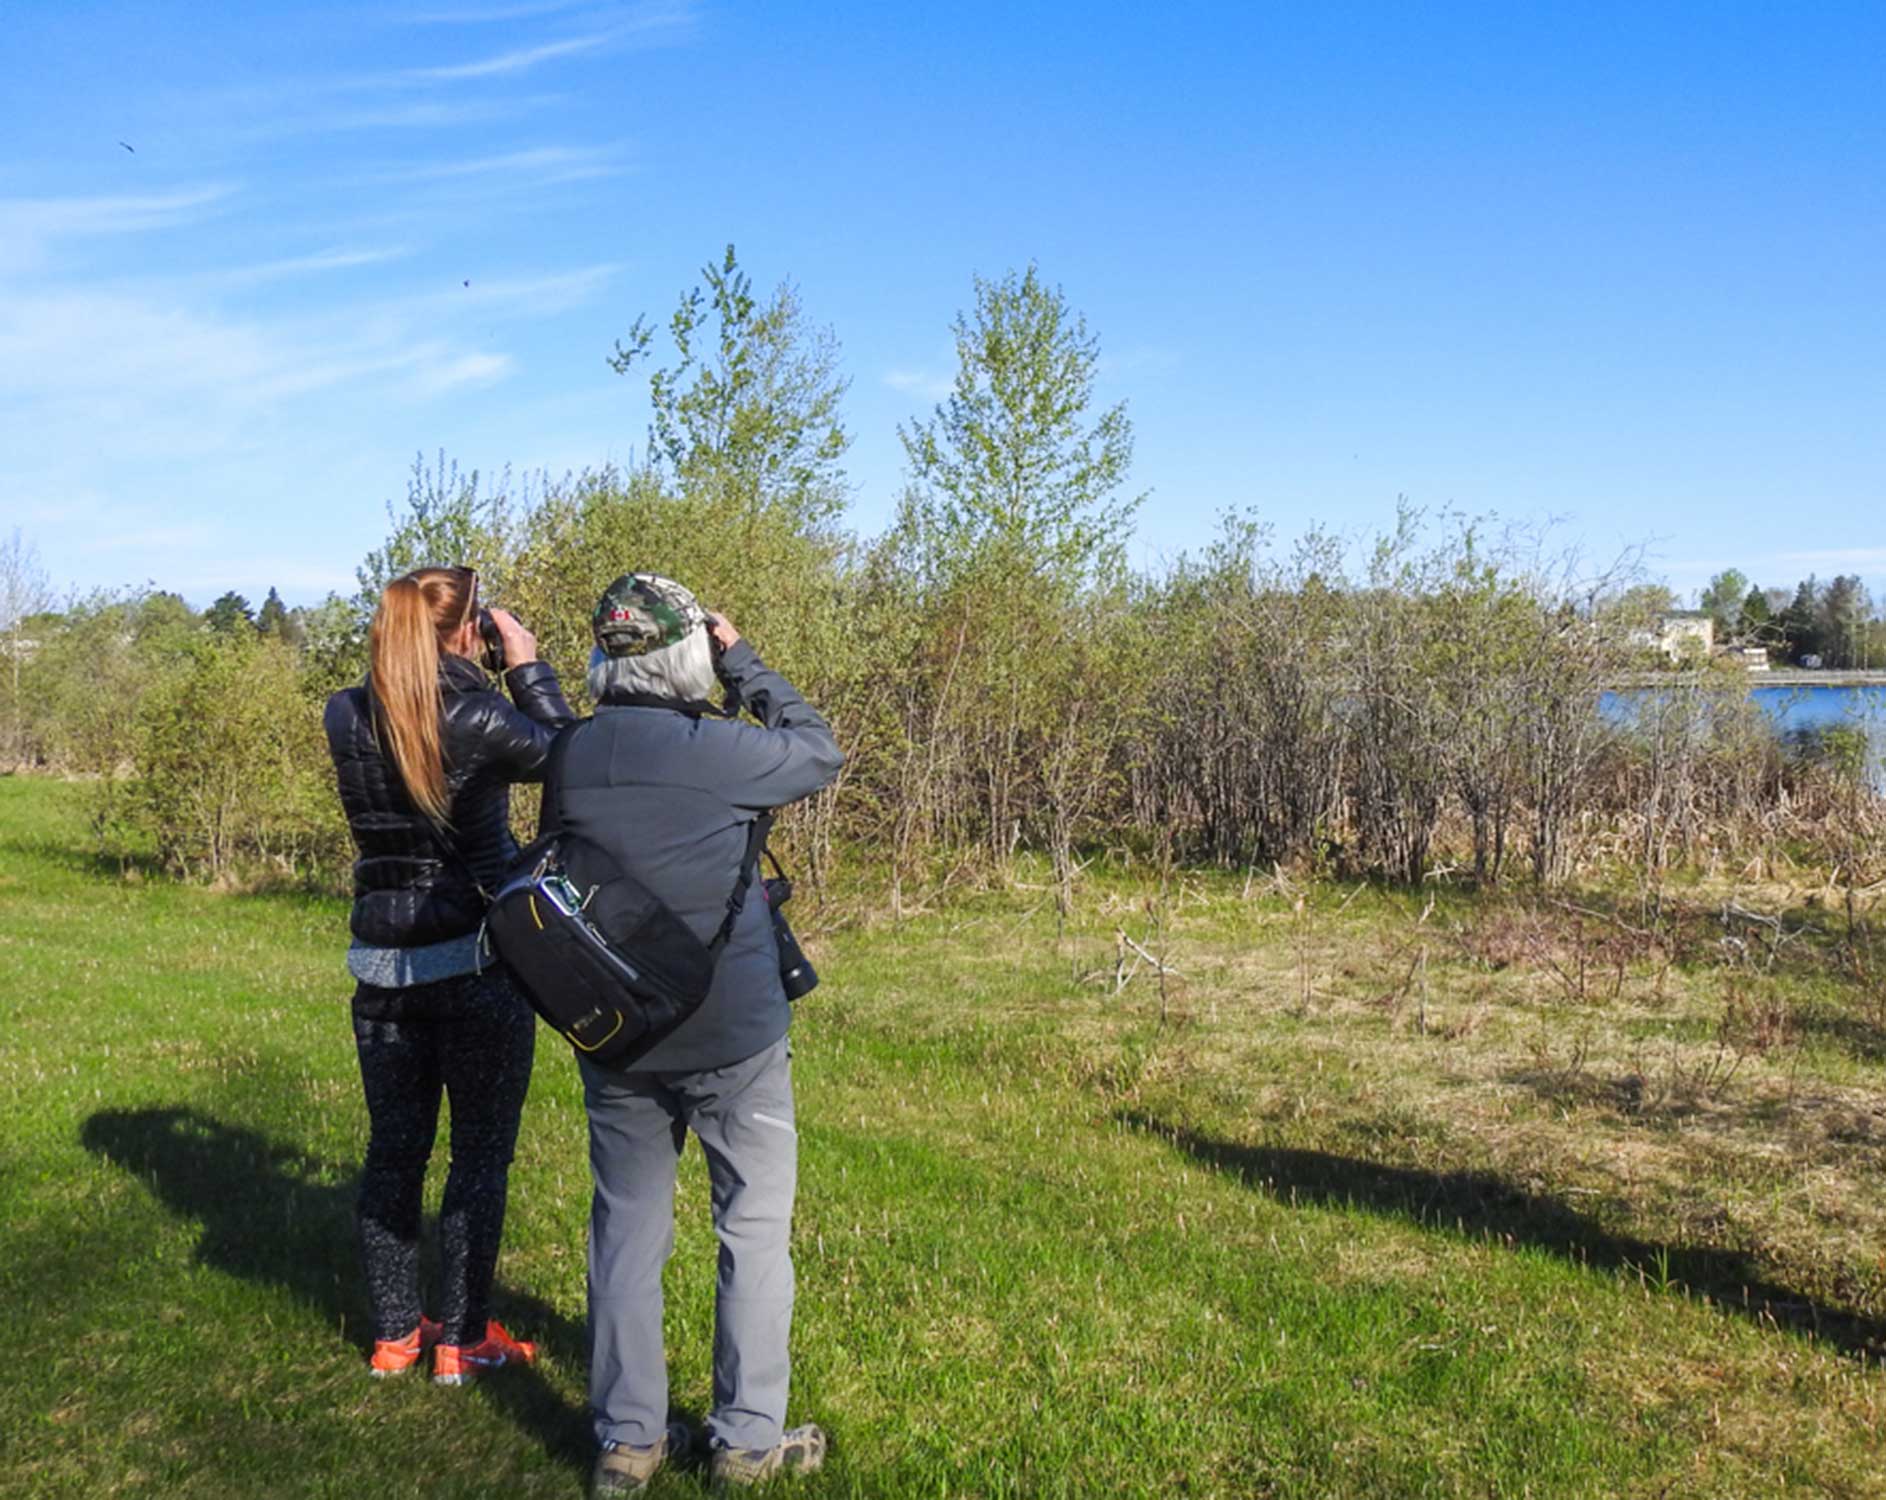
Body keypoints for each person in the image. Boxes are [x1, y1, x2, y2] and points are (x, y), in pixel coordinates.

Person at [551, 573, 843, 1496]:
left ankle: (628, 1441)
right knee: (752, 1227)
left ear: (604, 657)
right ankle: (747, 1440)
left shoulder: (572, 756)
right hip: (735, 1033)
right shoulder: (719, 752)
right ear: (691, 654)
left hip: (618, 1032)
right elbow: (819, 750)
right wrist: (743, 658)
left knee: (626, 1232)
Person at [323, 566, 574, 1383]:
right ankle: (462, 1342)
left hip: (381, 969)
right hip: (473, 961)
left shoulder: (344, 713)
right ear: (469, 632)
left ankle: (396, 1335)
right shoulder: (477, 714)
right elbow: (574, 758)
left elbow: (405, 704)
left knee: (394, 1152)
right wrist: (528, 666)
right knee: (478, 1159)